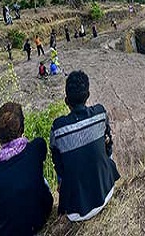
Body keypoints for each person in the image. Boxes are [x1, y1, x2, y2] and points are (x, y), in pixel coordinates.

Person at [50, 71, 120, 221]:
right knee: (106, 144)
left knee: (61, 159)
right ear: (87, 95)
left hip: (75, 212)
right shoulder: (100, 113)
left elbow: (59, 166)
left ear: (66, 100)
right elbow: (108, 147)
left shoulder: (58, 128)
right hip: (106, 191)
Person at [0, 102, 53, 236]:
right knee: (39, 178)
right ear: (22, 128)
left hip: (9, 231)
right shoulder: (37, 147)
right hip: (41, 215)